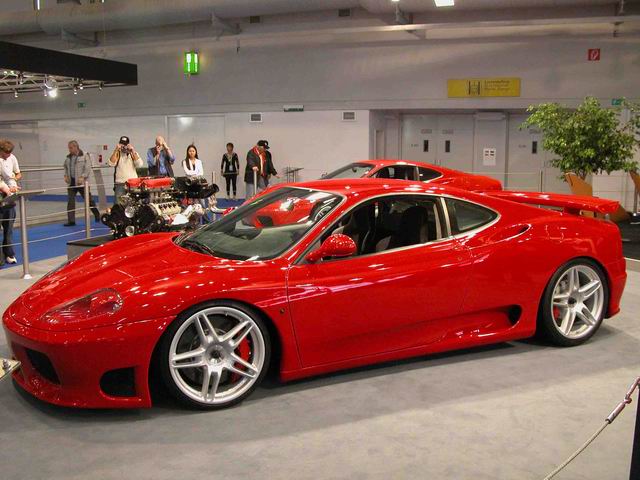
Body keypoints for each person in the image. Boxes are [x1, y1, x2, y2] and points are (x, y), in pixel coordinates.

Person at [63, 140, 100, 226]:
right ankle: (71, 221)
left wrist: (82, 177)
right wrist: (65, 175)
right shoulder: (68, 157)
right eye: (69, 148)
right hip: (71, 183)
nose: (69, 150)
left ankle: (97, 214)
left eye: (71, 148)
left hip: (82, 183)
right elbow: (65, 167)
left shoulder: (84, 155)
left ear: (76, 147)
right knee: (70, 202)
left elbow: (88, 167)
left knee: (89, 200)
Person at [0, 139, 21, 266]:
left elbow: (18, 174)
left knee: (8, 229)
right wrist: (5, 188)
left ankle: (9, 253)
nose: (7, 155)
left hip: (10, 197)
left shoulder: (12, 158)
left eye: (9, 153)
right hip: (1, 195)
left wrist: (14, 181)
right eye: (5, 153)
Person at [108, 136, 143, 204]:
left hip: (132, 184)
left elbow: (139, 164)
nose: (123, 146)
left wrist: (132, 151)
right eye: (122, 144)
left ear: (128, 144)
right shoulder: (117, 153)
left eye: (125, 144)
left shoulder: (133, 153)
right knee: (119, 204)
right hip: (120, 184)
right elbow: (111, 163)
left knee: (133, 204)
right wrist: (116, 150)